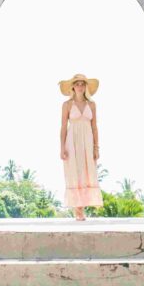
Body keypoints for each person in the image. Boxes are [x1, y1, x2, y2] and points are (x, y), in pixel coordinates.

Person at [59, 73, 103, 220]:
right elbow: (63, 127)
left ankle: (82, 207)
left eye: (82, 84)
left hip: (88, 141)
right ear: (72, 86)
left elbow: (95, 127)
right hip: (72, 141)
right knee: (74, 172)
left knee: (86, 171)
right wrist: (62, 147)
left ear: (86, 86)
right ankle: (78, 210)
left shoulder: (92, 104)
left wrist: (96, 147)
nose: (80, 86)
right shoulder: (67, 105)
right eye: (77, 84)